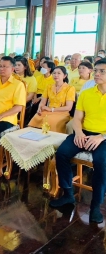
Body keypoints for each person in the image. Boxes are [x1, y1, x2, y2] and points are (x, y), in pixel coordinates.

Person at [49, 59, 106, 224]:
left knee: (101, 163)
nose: (97, 74)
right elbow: (77, 118)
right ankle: (68, 194)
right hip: (84, 132)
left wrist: (101, 137)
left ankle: (95, 206)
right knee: (62, 153)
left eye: (102, 71)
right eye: (96, 70)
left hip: (103, 137)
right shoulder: (87, 93)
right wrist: (79, 132)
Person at [28, 66, 75, 133]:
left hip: (62, 113)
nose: (56, 75)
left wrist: (52, 109)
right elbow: (43, 101)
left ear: (64, 76)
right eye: (54, 73)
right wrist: (39, 108)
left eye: (59, 73)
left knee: (50, 120)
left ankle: (51, 141)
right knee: (36, 117)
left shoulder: (70, 88)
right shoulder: (49, 86)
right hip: (48, 111)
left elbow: (68, 107)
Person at [14, 56, 37, 125]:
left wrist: (18, 103)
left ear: (25, 67)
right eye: (15, 65)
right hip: (10, 101)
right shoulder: (11, 76)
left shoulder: (31, 79)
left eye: (19, 65)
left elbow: (30, 96)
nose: (16, 67)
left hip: (24, 102)